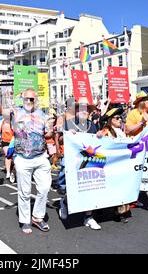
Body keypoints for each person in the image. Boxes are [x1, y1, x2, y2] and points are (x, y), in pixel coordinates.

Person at [0, 78, 53, 234]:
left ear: (36, 100)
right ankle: (25, 220)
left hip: (41, 157)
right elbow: (0, 110)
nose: (29, 101)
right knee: (25, 191)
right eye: (26, 98)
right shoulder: (15, 112)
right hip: (22, 158)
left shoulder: (43, 115)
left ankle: (37, 217)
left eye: (32, 98)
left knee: (45, 187)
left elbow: (48, 134)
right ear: (23, 99)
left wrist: (53, 130)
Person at [56, 97, 101, 230]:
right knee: (68, 185)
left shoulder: (92, 125)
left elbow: (96, 142)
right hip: (72, 160)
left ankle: (89, 217)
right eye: (81, 108)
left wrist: (99, 135)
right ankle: (64, 202)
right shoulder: (68, 123)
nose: (84, 111)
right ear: (76, 110)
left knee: (91, 187)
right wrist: (68, 135)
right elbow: (60, 138)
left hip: (88, 161)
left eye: (86, 109)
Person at [97, 107, 132, 223]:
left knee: (120, 187)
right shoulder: (106, 131)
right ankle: (100, 210)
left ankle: (120, 212)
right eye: (117, 118)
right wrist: (99, 135)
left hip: (121, 164)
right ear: (111, 120)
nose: (120, 120)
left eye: (121, 118)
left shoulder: (120, 131)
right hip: (110, 165)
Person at [0, 112, 15, 183]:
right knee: (8, 155)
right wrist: (1, 122)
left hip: (13, 141)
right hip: (5, 141)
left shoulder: (13, 122)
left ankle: (12, 168)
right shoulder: (2, 122)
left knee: (14, 157)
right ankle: (8, 172)